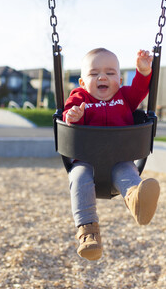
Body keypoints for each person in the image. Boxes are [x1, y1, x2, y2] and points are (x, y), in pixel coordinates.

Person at [63, 48, 160, 261]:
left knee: (128, 173)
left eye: (110, 73)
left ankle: (137, 201)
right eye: (94, 73)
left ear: (119, 79)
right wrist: (74, 115)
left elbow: (140, 88)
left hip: (120, 159)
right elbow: (68, 114)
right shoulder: (80, 98)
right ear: (81, 82)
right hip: (86, 161)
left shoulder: (125, 96)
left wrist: (143, 71)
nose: (102, 77)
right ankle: (88, 233)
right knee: (78, 178)